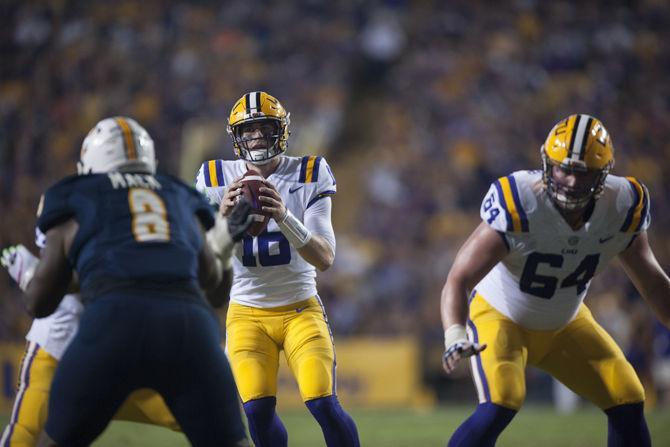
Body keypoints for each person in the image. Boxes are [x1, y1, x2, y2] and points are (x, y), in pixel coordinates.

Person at [11, 116, 252, 446]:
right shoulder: (180, 195)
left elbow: (39, 302)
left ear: (89, 165)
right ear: (149, 162)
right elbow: (216, 290)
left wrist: (28, 273)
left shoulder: (73, 196)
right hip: (188, 325)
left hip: (111, 323)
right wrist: (223, 244)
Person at [440, 114, 670, 447]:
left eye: (584, 172)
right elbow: (459, 277)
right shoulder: (521, 200)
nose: (572, 182)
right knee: (502, 400)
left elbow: (653, 284)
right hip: (501, 317)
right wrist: (454, 332)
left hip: (566, 323)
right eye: (565, 169)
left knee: (628, 396)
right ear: (548, 163)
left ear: (603, 174)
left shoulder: (623, 205)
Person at [195, 91, 360, 447]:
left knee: (323, 403)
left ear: (280, 132)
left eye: (263, 129)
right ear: (236, 137)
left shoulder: (310, 172)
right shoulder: (214, 177)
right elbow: (204, 265)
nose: (255, 138)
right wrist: (220, 221)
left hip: (300, 307)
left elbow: (325, 258)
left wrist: (284, 216)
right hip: (246, 314)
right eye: (248, 131)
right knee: (256, 412)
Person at [1, 233, 179, 446]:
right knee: (26, 434)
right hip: (63, 343)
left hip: (106, 348)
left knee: (206, 413)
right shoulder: (72, 207)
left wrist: (34, 276)